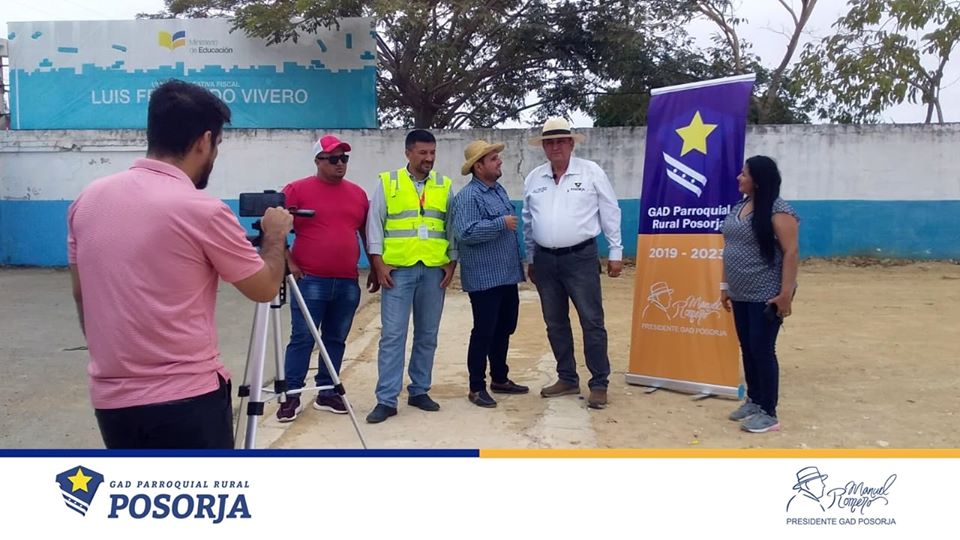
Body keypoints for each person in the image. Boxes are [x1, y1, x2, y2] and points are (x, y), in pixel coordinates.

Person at [67, 79, 293, 449]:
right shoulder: (202, 210)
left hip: (112, 402)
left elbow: (82, 294)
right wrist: (275, 235)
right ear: (205, 141)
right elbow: (264, 288)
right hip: (189, 401)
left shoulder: (87, 200)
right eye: (217, 145)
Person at [275, 135, 378, 422]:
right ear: (318, 161)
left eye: (344, 158)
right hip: (310, 279)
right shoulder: (296, 190)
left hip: (347, 281)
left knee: (336, 338)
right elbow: (276, 229)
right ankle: (292, 395)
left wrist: (374, 266)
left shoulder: (357, 194)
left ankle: (327, 391)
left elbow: (365, 233)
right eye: (333, 159)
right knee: (302, 338)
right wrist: (289, 261)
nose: (340, 163)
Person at [522, 117, 623, 409]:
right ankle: (567, 377)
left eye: (560, 141)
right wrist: (531, 258)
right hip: (544, 260)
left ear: (570, 144)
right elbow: (528, 221)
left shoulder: (591, 172)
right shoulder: (534, 178)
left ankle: (599, 383)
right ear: (543, 147)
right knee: (555, 322)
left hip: (581, 257)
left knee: (591, 321)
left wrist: (616, 251)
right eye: (549, 142)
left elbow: (610, 210)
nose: (555, 147)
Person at [364, 129, 458, 423]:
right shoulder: (388, 182)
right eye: (422, 153)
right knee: (393, 335)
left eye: (432, 153)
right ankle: (386, 399)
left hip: (433, 270)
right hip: (398, 271)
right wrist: (377, 263)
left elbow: (451, 226)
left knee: (427, 334)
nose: (429, 158)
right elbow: (375, 224)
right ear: (408, 153)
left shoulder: (444, 185)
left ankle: (419, 390)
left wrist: (452, 262)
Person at [721, 155, 800, 434]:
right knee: (748, 347)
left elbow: (791, 252)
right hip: (740, 292)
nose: (739, 177)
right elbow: (729, 247)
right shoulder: (740, 206)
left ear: (758, 180)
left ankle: (769, 412)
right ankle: (754, 400)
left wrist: (785, 294)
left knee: (763, 349)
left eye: (744, 174)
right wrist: (725, 287)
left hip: (766, 294)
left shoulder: (778, 210)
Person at [452, 140, 529, 408]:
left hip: (506, 275)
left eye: (497, 157)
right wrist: (500, 223)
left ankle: (500, 378)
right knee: (484, 331)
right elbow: (465, 232)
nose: (499, 162)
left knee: (504, 327)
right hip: (484, 279)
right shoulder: (468, 197)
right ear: (478, 166)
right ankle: (476, 387)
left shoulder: (498, 191)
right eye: (493, 158)